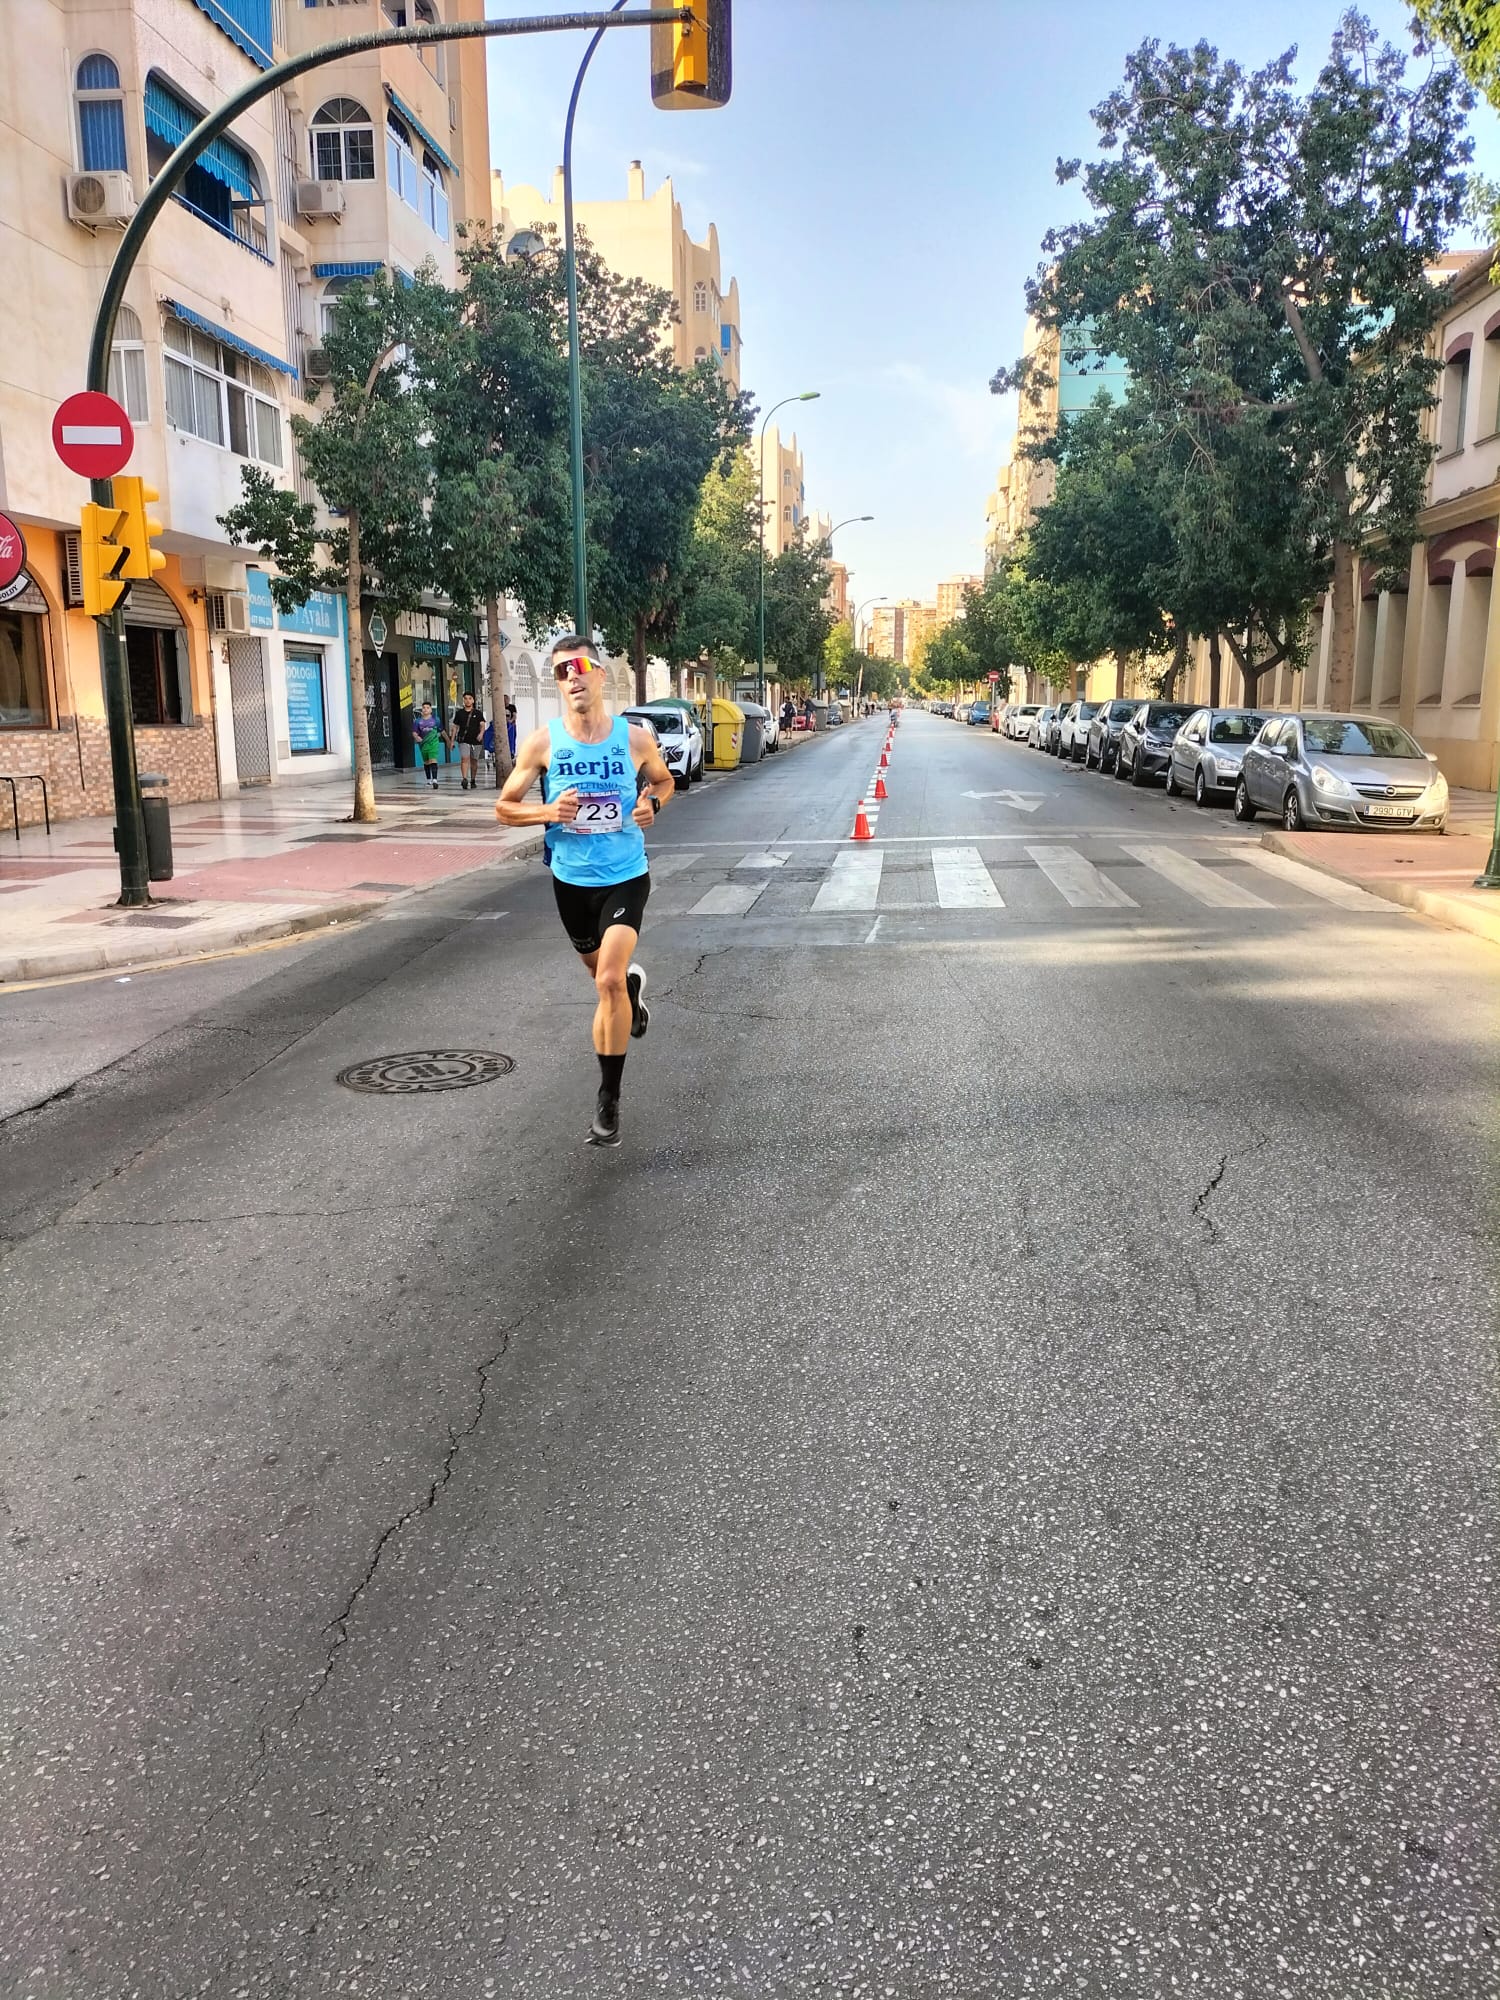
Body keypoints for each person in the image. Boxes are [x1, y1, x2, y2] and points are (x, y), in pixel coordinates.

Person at [496, 634, 674, 1147]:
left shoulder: (634, 738)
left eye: (580, 667)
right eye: (560, 672)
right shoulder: (542, 743)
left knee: (608, 981)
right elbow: (504, 807)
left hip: (625, 875)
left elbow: (664, 782)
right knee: (606, 981)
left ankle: (609, 1100)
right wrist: (548, 811)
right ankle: (633, 1003)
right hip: (571, 884)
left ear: (600, 674)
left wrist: (653, 806)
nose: (571, 677)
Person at [451, 690, 486, 790]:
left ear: (473, 700)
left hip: (476, 741)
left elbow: (482, 725)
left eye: (470, 699)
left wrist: (481, 733)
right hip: (463, 740)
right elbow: (455, 727)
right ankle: (464, 779)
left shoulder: (478, 713)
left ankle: (473, 779)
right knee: (464, 759)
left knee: (474, 761)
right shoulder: (459, 713)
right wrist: (452, 741)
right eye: (465, 699)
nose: (467, 701)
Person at [413, 701, 443, 791]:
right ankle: (429, 780)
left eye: (427, 708)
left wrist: (447, 740)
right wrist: (416, 737)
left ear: (431, 710)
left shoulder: (436, 720)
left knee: (433, 760)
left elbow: (441, 730)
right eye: (424, 708)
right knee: (426, 762)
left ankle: (435, 780)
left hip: (433, 743)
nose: (425, 709)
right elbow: (414, 732)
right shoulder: (418, 721)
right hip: (423, 744)